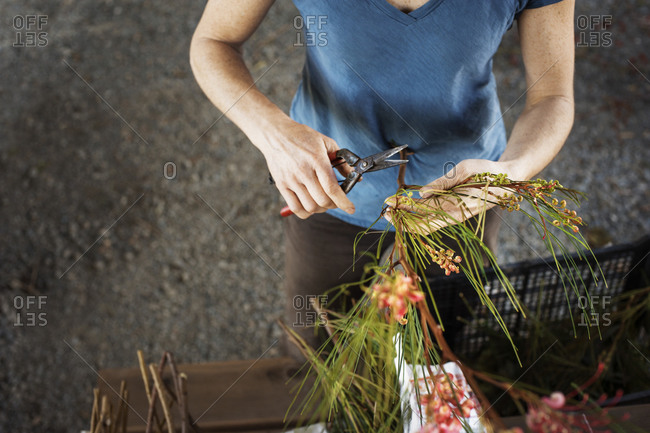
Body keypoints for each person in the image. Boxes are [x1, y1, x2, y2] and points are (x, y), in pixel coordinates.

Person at [190, 0, 575, 359]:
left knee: (440, 342)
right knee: (315, 342)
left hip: (463, 197)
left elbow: (552, 96)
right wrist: (273, 134)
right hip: (330, 189)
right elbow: (214, 41)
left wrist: (509, 173)